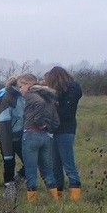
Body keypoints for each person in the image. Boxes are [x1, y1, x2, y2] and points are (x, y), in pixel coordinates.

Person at [17, 73, 59, 202]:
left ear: (28, 84)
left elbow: (39, 104)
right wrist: (49, 127)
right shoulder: (46, 95)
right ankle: (56, 200)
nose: (20, 90)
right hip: (45, 136)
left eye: (20, 86)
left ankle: (32, 202)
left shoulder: (32, 95)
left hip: (31, 134)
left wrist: (39, 122)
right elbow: (55, 119)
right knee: (47, 170)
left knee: (30, 170)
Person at [44, 66, 83, 201]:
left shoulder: (71, 89)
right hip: (57, 130)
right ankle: (59, 195)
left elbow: (67, 112)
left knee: (68, 163)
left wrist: (54, 107)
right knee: (56, 164)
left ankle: (75, 195)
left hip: (65, 130)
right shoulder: (67, 90)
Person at [0, 77, 26, 200]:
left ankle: (16, 181)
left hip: (19, 135)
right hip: (6, 136)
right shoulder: (7, 98)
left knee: (29, 162)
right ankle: (9, 191)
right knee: (9, 162)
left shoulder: (22, 97)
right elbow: (4, 123)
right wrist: (6, 142)